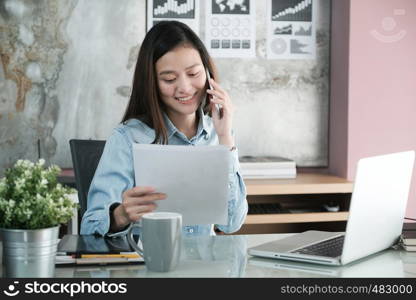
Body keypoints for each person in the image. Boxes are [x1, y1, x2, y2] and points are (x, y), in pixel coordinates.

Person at [80, 21, 248, 237]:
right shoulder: (128, 137)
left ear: (208, 73)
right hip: (148, 265)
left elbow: (232, 223)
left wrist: (225, 137)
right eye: (169, 79)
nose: (185, 88)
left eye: (194, 73)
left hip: (203, 266)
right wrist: (121, 215)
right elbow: (89, 228)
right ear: (152, 83)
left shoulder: (220, 134)